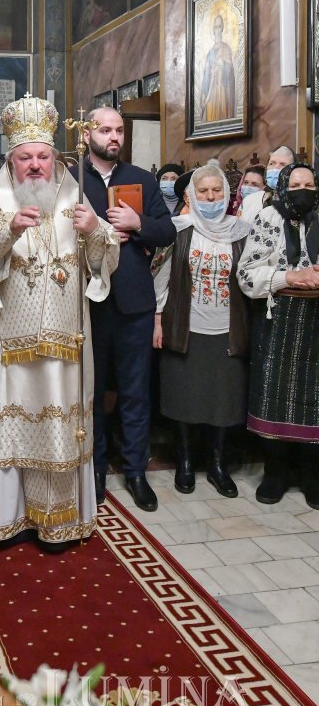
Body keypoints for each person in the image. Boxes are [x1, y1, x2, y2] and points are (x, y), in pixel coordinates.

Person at [0, 96, 119, 550]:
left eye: (43, 156)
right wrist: (8, 230)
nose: (35, 165)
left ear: (54, 158)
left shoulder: (74, 194)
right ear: (11, 159)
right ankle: (9, 519)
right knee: (14, 422)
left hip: (67, 342)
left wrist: (95, 230)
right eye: (25, 157)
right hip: (11, 344)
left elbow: (105, 257)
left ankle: (58, 522)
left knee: (62, 425)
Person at [72, 106, 176, 512]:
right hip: (86, 301)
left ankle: (135, 471)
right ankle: (95, 469)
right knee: (92, 392)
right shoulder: (71, 179)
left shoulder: (142, 179)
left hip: (133, 302)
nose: (114, 137)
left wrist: (138, 223)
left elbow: (166, 231)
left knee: (135, 392)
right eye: (105, 130)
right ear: (87, 135)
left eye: (118, 130)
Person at [152, 166, 251, 498]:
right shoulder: (177, 230)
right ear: (192, 196)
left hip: (228, 330)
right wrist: (157, 320)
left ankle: (217, 465)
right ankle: (185, 462)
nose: (210, 197)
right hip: (186, 327)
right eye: (203, 191)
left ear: (227, 193)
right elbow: (161, 279)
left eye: (217, 190)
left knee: (223, 401)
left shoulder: (243, 231)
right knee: (185, 398)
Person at [238, 162, 319, 509]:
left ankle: (312, 475)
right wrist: (291, 277)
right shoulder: (269, 218)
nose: (303, 191)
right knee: (275, 394)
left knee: (315, 400)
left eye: (309, 185)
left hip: (316, 322)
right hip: (279, 320)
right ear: (284, 187)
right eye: (296, 184)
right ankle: (276, 472)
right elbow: (247, 274)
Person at [238, 146, 295, 222]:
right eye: (272, 163)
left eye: (283, 164)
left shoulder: (296, 202)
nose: (275, 168)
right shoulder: (249, 200)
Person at [201, 14, 235, 123]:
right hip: (211, 95)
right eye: (216, 27)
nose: (218, 30)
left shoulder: (226, 48)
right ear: (213, 30)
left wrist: (223, 64)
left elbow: (230, 71)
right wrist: (204, 95)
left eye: (220, 26)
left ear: (222, 28)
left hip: (222, 91)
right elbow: (206, 77)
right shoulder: (209, 53)